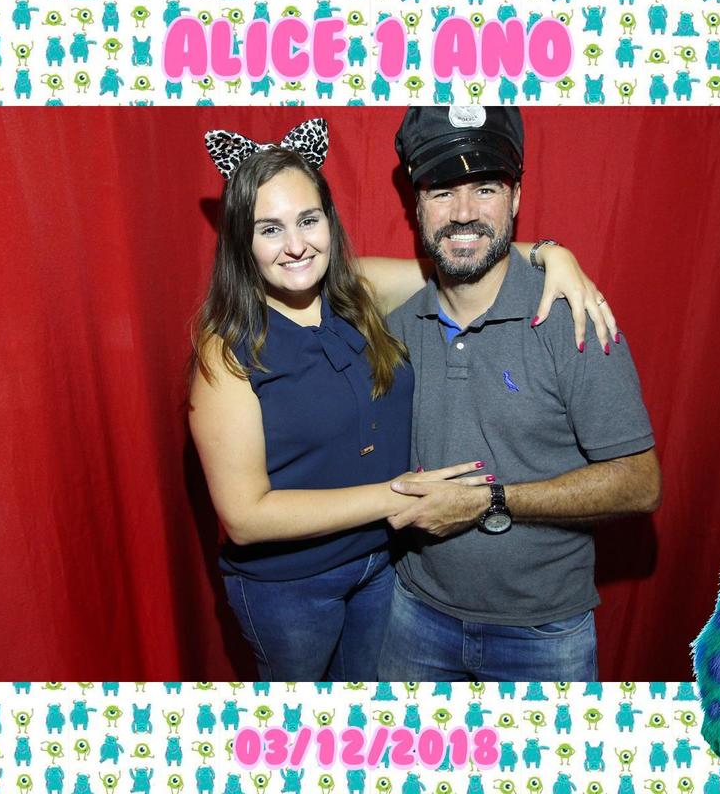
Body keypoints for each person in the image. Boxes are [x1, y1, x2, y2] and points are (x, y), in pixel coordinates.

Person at [189, 117, 615, 681]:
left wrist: (552, 254)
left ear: (329, 220)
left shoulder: (357, 289)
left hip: (383, 569)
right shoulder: (226, 349)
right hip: (291, 586)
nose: (295, 246)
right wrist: (404, 494)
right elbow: (245, 517)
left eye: (308, 220)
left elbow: (467, 256)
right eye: (270, 229)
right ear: (242, 241)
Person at [379, 106, 662, 682]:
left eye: (485, 188)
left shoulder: (572, 317)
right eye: (441, 191)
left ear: (515, 199)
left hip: (543, 634)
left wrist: (493, 500)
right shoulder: (396, 326)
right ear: (417, 204)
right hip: (414, 616)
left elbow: (641, 483)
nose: (463, 213)